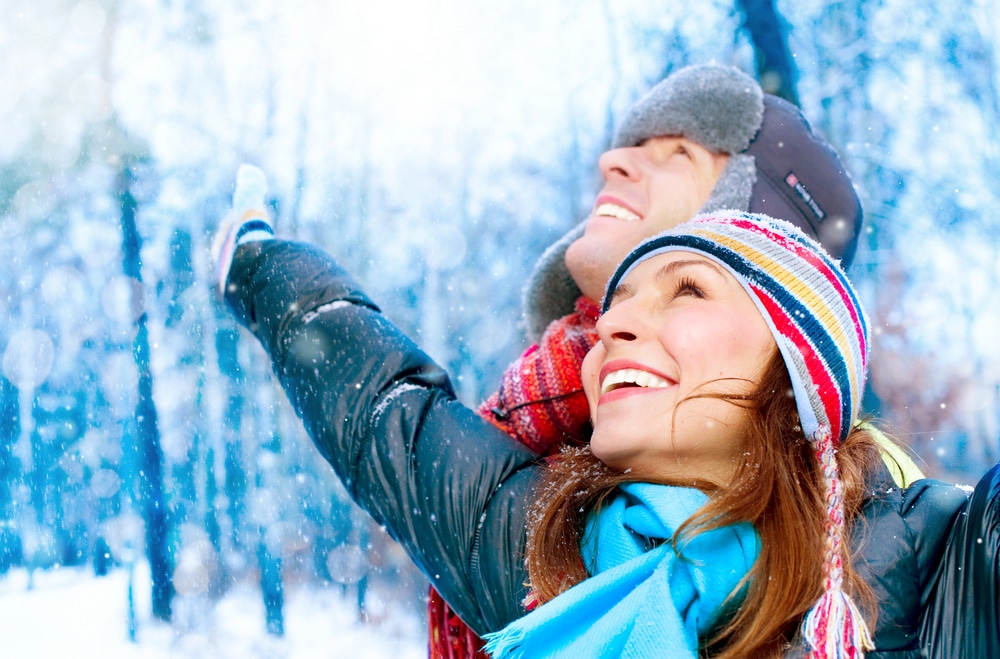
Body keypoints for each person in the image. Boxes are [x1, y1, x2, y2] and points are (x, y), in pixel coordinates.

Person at [215, 205, 996, 657]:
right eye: (615, 305)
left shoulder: (941, 559)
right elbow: (383, 408)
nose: (615, 323)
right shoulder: (540, 549)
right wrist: (255, 258)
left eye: (687, 289)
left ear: (799, 370)